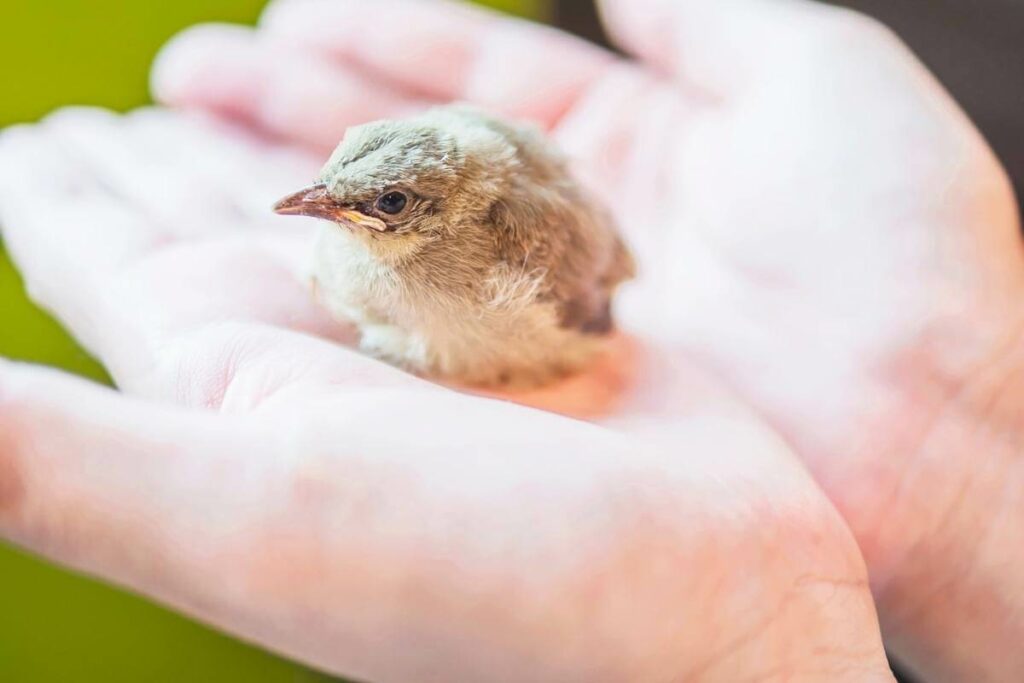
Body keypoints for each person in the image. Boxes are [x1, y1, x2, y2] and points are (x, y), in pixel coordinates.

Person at [0, 0, 1020, 680]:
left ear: (434, 210)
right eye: (335, 187)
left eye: (380, 206)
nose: (329, 209)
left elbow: (587, 307)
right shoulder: (386, 213)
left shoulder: (496, 251)